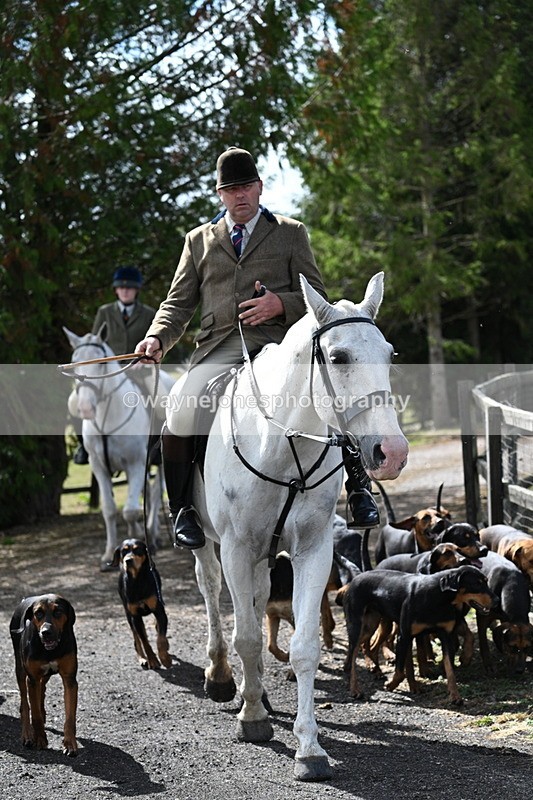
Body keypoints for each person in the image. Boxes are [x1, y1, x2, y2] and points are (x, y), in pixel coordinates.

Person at [135, 146, 379, 549]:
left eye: (246, 186)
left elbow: (318, 297)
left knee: (327, 389)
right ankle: (183, 509)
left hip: (279, 344)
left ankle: (358, 489)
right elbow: (177, 303)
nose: (240, 195)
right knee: (181, 405)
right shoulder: (198, 241)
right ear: (220, 194)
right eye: (231, 189)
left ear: (260, 187)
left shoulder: (290, 232)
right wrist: (158, 337)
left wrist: (279, 303)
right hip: (219, 347)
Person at [71, 266, 161, 464]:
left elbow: (155, 342)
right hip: (107, 373)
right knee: (73, 401)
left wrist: (143, 361)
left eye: (130, 287)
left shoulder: (148, 314)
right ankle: (83, 447)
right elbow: (95, 343)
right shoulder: (104, 312)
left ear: (137, 290)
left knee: (160, 397)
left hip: (139, 369)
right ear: (116, 289)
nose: (125, 290)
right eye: (121, 287)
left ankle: (157, 446)